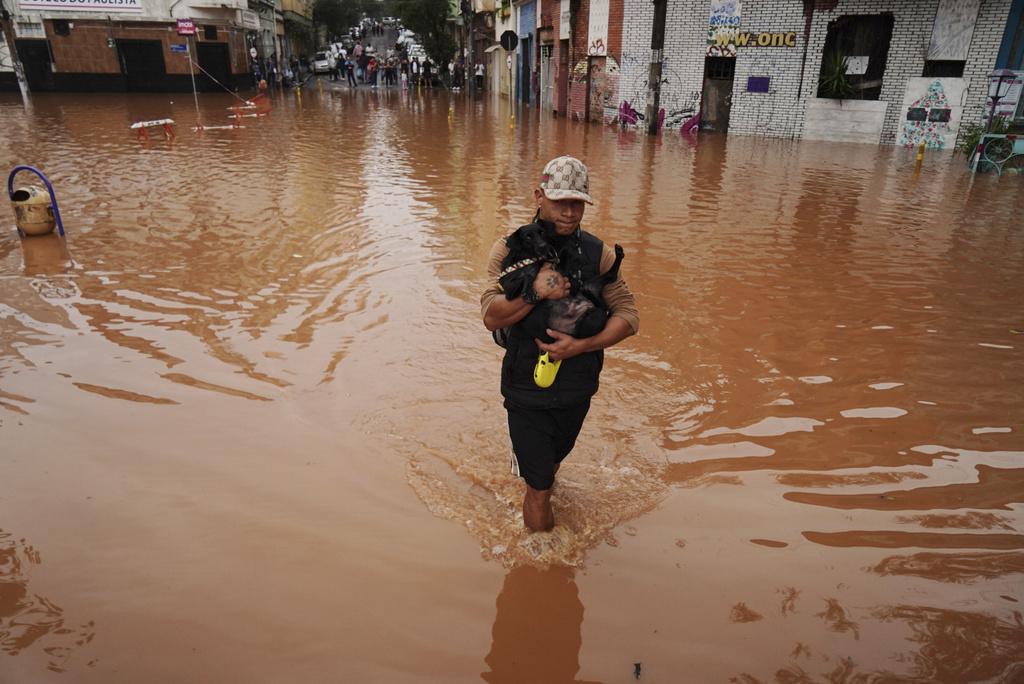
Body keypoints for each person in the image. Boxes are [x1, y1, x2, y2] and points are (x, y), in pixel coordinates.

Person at [480, 156, 639, 532]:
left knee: (552, 465)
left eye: (577, 203)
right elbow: (491, 316)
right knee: (540, 488)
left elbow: (629, 317)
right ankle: (541, 558)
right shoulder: (508, 250)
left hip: (577, 386)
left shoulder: (598, 254)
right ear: (539, 196)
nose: (569, 212)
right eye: (560, 202)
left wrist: (581, 346)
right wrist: (533, 294)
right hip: (525, 388)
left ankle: (538, 472)